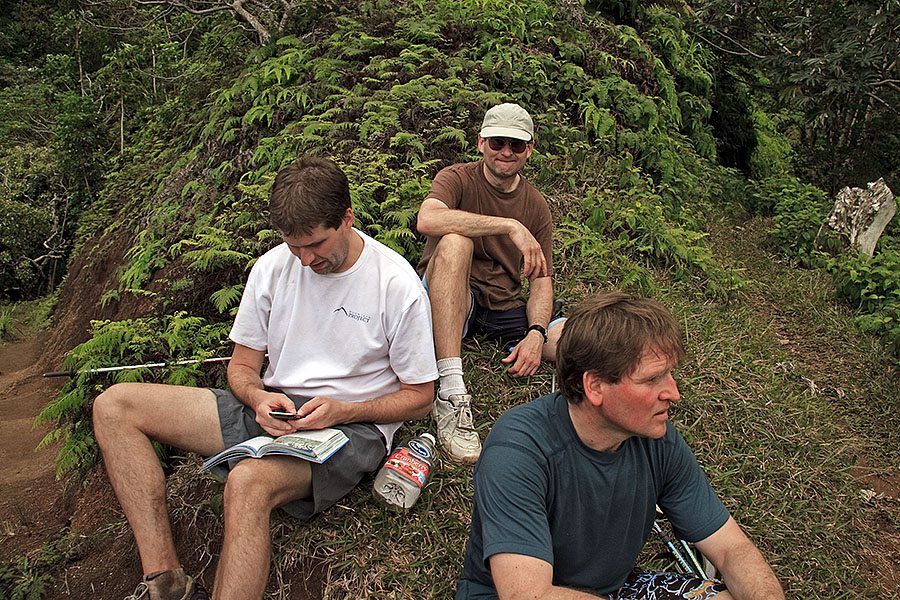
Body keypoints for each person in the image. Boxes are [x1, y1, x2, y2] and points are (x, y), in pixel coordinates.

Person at [93, 156, 439, 600]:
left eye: (316, 245)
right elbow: (240, 366)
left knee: (247, 483)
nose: (306, 259)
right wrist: (257, 396)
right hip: (275, 411)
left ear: (347, 219)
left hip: (351, 428)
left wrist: (344, 410)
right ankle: (165, 581)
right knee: (114, 405)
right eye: (295, 247)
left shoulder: (395, 284)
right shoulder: (273, 267)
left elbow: (419, 397)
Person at [455, 292, 785, 600]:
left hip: (614, 590)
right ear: (595, 387)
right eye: (652, 379)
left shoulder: (658, 440)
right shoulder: (519, 450)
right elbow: (528, 594)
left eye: (670, 375)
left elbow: (732, 549)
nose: (673, 392)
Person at [416, 102, 565, 464]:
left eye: (516, 145)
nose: (506, 152)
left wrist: (536, 332)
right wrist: (508, 225)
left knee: (582, 343)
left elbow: (541, 280)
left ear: (529, 149)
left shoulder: (535, 204)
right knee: (454, 242)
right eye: (498, 142)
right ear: (481, 142)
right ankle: (451, 389)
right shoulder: (456, 177)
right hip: (450, 296)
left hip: (502, 305)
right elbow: (428, 218)